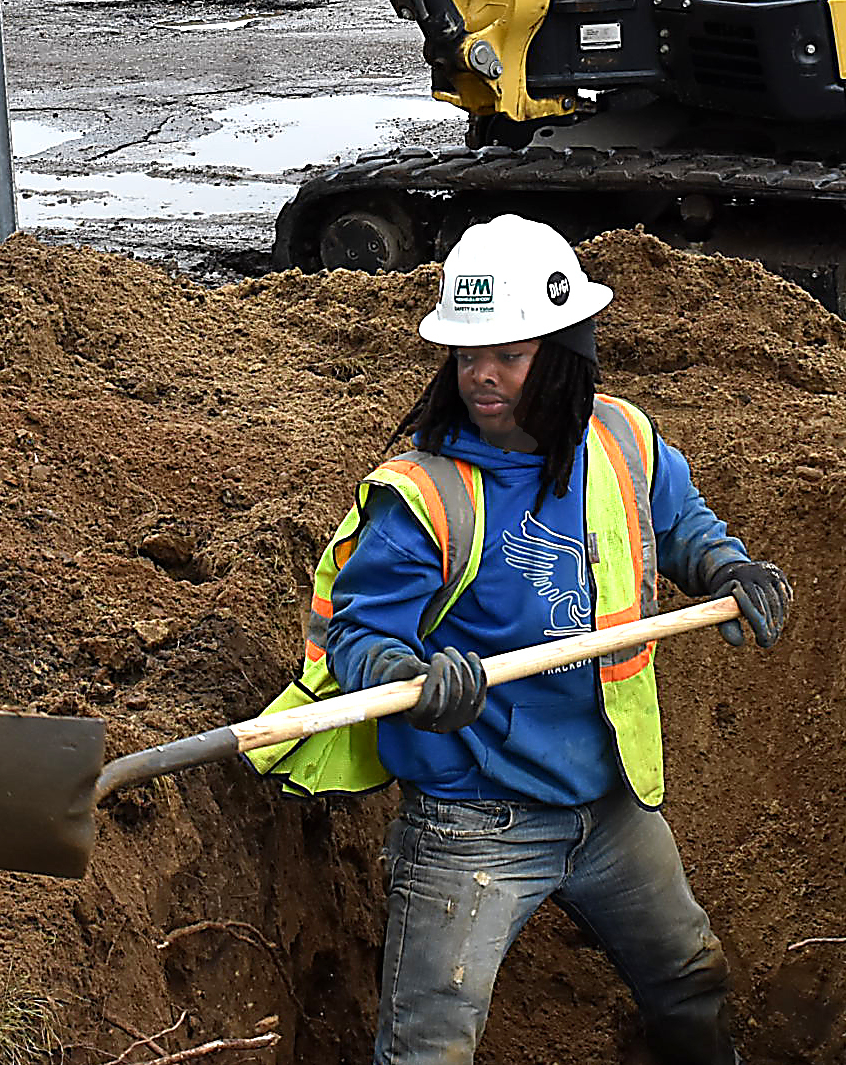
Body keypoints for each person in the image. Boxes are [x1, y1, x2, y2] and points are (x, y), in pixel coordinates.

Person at [248, 216, 793, 1065]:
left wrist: (728, 568)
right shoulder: (421, 496)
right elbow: (358, 633)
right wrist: (409, 675)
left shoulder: (620, 438)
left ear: (566, 349)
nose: (483, 375)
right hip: (475, 822)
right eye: (469, 355)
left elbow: (677, 522)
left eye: (510, 352)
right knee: (429, 1048)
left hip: (609, 801)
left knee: (689, 978)